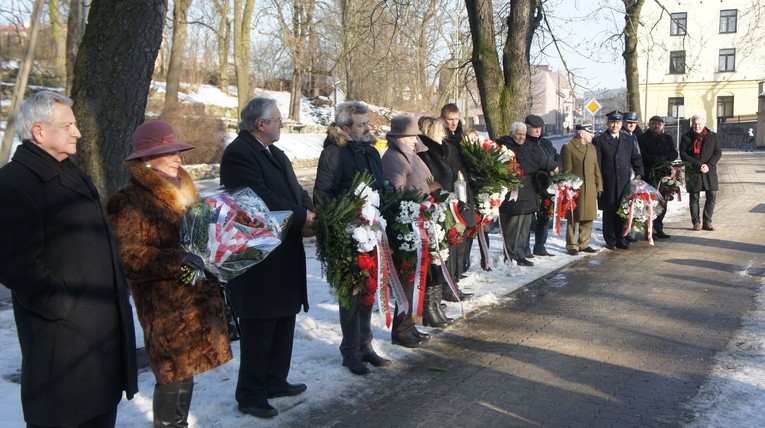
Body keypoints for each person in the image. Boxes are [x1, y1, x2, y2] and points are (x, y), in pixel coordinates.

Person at [0, 91, 138, 427]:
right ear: (39, 132)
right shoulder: (13, 183)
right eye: (68, 125)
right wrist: (65, 307)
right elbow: (15, 264)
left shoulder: (71, 171)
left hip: (98, 341)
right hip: (63, 346)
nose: (77, 132)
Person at [107, 121, 233, 427]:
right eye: (168, 153)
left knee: (186, 373)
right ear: (147, 160)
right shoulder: (129, 201)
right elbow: (130, 258)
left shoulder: (187, 192)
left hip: (196, 298)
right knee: (171, 375)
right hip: (166, 307)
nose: (178, 158)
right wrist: (180, 260)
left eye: (177, 151)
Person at [220, 97, 314, 419]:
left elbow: (294, 191)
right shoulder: (239, 154)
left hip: (284, 252)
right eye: (277, 119)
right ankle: (250, 394)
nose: (281, 124)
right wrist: (302, 217)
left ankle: (275, 380)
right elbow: (258, 201)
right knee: (260, 325)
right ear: (260, 124)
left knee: (283, 317)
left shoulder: (276, 153)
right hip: (258, 259)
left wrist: (310, 211)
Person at [313, 101, 391, 376]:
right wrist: (342, 223)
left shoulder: (370, 151)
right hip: (347, 234)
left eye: (367, 122)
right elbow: (322, 195)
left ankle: (366, 345)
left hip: (372, 232)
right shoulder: (334, 153)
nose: (368, 128)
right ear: (345, 128)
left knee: (368, 289)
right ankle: (350, 351)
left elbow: (379, 187)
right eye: (361, 124)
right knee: (351, 292)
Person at [381, 115, 438, 348]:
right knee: (406, 281)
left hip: (418, 223)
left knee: (414, 280)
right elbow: (397, 192)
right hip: (405, 227)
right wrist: (428, 189)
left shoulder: (412, 155)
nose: (415, 140)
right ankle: (401, 330)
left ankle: (410, 326)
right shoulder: (394, 158)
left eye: (416, 135)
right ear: (398, 137)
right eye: (410, 136)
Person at [497, 122, 557, 266]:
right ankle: (511, 254)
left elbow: (537, 160)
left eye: (524, 134)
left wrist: (553, 166)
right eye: (519, 134)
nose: (522, 137)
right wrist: (538, 166)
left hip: (529, 192)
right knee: (513, 227)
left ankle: (520, 254)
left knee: (524, 226)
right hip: (515, 194)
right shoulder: (506, 147)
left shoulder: (526, 146)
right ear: (512, 133)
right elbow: (524, 166)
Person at [592, 110, 644, 250]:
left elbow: (636, 158)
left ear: (622, 124)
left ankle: (621, 237)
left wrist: (639, 174)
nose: (615, 125)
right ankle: (610, 239)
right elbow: (597, 163)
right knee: (609, 212)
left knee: (622, 211)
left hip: (624, 182)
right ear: (608, 124)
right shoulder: (600, 140)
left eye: (618, 122)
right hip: (608, 182)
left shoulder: (628, 139)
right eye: (612, 122)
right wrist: (598, 182)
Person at [560, 123, 603, 255]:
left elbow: (596, 168)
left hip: (590, 186)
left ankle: (584, 243)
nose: (592, 135)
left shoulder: (592, 147)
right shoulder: (569, 147)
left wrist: (599, 185)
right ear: (582, 134)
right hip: (576, 187)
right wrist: (568, 187)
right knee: (574, 216)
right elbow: (567, 170)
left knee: (588, 216)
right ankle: (572, 244)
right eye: (589, 132)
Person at [523, 114, 561, 257]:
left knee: (544, 216)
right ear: (527, 128)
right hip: (533, 185)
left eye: (539, 128)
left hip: (547, 185)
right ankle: (525, 248)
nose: (537, 130)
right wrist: (550, 168)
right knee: (529, 219)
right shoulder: (525, 143)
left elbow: (557, 158)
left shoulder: (545, 143)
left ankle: (540, 245)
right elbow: (535, 162)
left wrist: (557, 168)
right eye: (534, 128)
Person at [679, 114, 722, 231]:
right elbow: (683, 155)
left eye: (699, 124)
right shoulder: (686, 137)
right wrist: (699, 165)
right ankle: (696, 222)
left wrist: (708, 165)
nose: (697, 127)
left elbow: (717, 153)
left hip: (709, 171)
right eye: (694, 124)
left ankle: (707, 221)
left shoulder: (712, 136)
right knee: (694, 197)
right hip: (693, 171)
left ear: (704, 124)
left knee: (711, 196)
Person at [637, 115, 678, 239]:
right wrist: (656, 160)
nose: (656, 126)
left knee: (663, 203)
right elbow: (642, 155)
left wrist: (666, 158)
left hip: (664, 176)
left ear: (663, 125)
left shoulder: (667, 138)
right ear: (649, 124)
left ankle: (658, 228)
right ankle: (648, 230)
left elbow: (674, 153)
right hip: (650, 175)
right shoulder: (642, 138)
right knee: (649, 203)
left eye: (659, 124)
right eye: (654, 123)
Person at [622, 112, 643, 242]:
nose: (631, 125)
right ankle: (624, 231)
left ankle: (627, 230)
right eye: (629, 122)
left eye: (634, 123)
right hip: (625, 174)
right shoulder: (623, 135)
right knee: (625, 203)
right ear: (623, 122)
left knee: (631, 203)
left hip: (632, 173)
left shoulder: (633, 135)